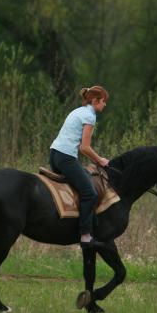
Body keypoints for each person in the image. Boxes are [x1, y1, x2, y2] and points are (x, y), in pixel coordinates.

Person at [50, 85, 110, 249]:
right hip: (66, 158)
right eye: (104, 102)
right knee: (90, 194)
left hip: (54, 155)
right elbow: (84, 148)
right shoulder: (90, 116)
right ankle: (85, 236)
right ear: (96, 101)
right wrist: (100, 161)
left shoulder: (77, 111)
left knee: (83, 181)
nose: (105, 105)